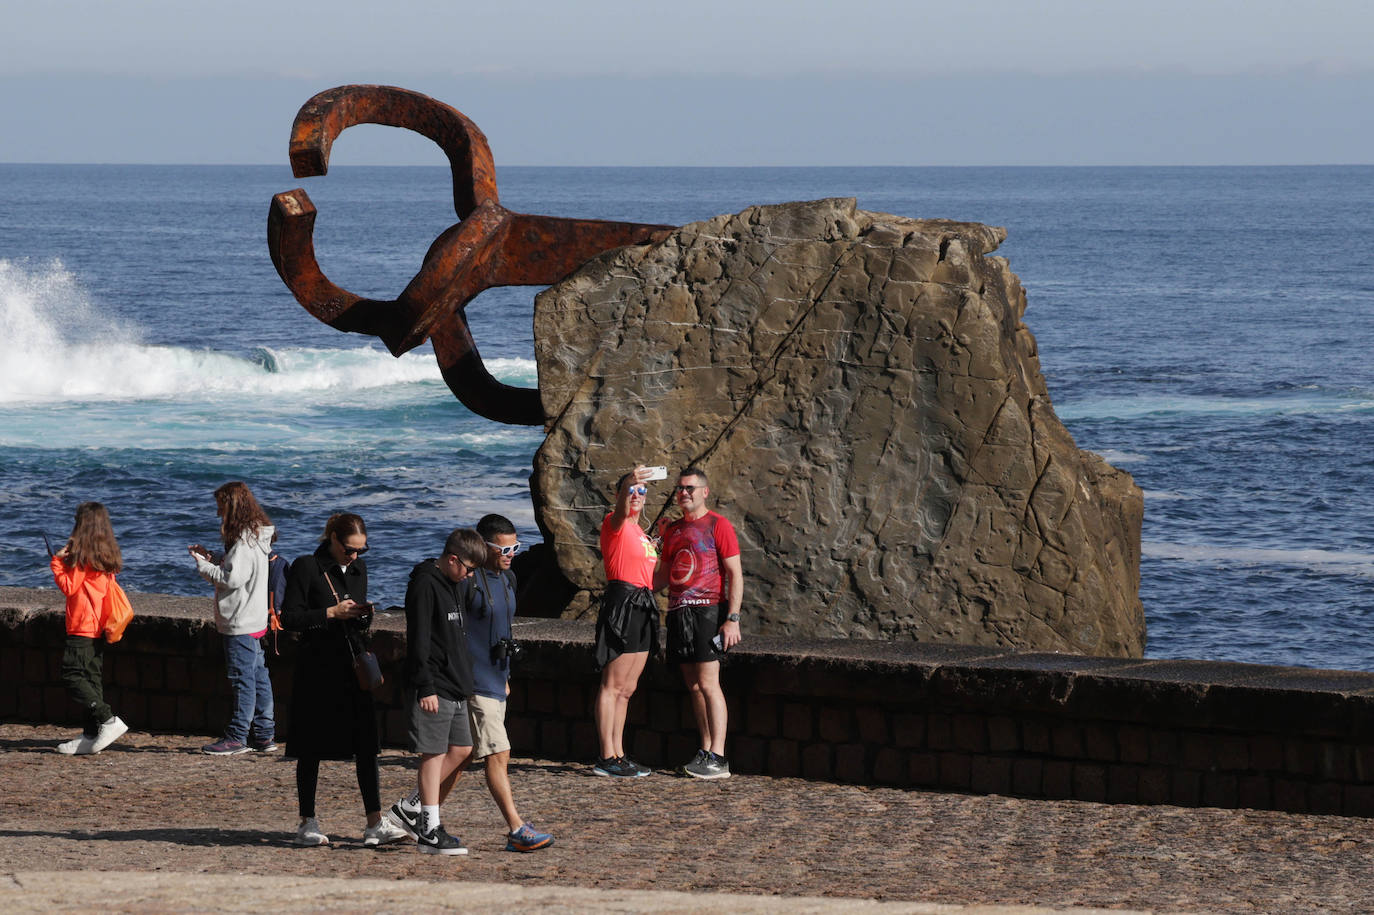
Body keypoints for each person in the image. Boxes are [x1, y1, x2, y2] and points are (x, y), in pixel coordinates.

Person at [279, 513, 407, 849]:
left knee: (366, 744)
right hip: (316, 667)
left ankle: (374, 822)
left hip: (351, 665)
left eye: (361, 550)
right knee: (310, 747)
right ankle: (307, 821)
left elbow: (356, 622)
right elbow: (289, 617)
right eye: (349, 549)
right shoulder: (307, 566)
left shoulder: (359, 569)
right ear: (334, 539)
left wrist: (363, 616)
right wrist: (330, 613)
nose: (354, 556)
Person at [385, 528, 489, 856]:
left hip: (455, 683)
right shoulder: (425, 583)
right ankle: (429, 830)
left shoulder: (455, 582)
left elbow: (456, 634)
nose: (470, 576)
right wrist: (425, 686)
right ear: (453, 559)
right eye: (468, 569)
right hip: (433, 684)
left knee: (463, 749)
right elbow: (419, 638)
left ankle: (409, 807)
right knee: (433, 754)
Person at [461, 515, 554, 850]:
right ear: (482, 546)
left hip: (497, 678)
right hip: (475, 681)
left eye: (515, 547)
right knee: (499, 752)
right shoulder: (467, 582)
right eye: (504, 549)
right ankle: (516, 829)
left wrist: (507, 675)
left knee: (460, 758)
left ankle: (414, 812)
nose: (511, 554)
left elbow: (504, 630)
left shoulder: (508, 578)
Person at [656, 467, 743, 779]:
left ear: (704, 492)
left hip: (708, 612)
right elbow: (663, 576)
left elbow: (735, 574)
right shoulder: (673, 530)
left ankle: (718, 756)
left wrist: (732, 619)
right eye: (680, 488)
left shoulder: (719, 525)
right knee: (693, 685)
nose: (684, 493)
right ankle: (705, 750)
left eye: (690, 488)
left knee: (708, 683)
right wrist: (630, 585)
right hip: (678, 612)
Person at [189, 481, 277, 755]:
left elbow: (231, 579)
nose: (218, 513)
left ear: (233, 507)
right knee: (259, 677)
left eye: (221, 507)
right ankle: (264, 734)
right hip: (255, 619)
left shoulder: (242, 542)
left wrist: (203, 566)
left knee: (243, 680)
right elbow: (239, 567)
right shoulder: (256, 536)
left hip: (240, 621)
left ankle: (238, 736)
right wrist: (214, 556)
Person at [592, 465, 660, 777]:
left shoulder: (641, 533)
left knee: (628, 688)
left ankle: (619, 754)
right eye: (631, 490)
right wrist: (629, 483)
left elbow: (653, 575)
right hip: (623, 602)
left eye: (641, 491)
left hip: (643, 603)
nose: (636, 495)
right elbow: (620, 511)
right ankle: (606, 755)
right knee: (612, 684)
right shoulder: (614, 523)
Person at [49, 501, 129, 755]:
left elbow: (69, 587)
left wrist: (57, 562)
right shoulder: (104, 554)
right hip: (98, 626)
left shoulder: (83, 558)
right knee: (92, 679)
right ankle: (91, 734)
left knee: (71, 674)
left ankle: (107, 719)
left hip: (81, 626)